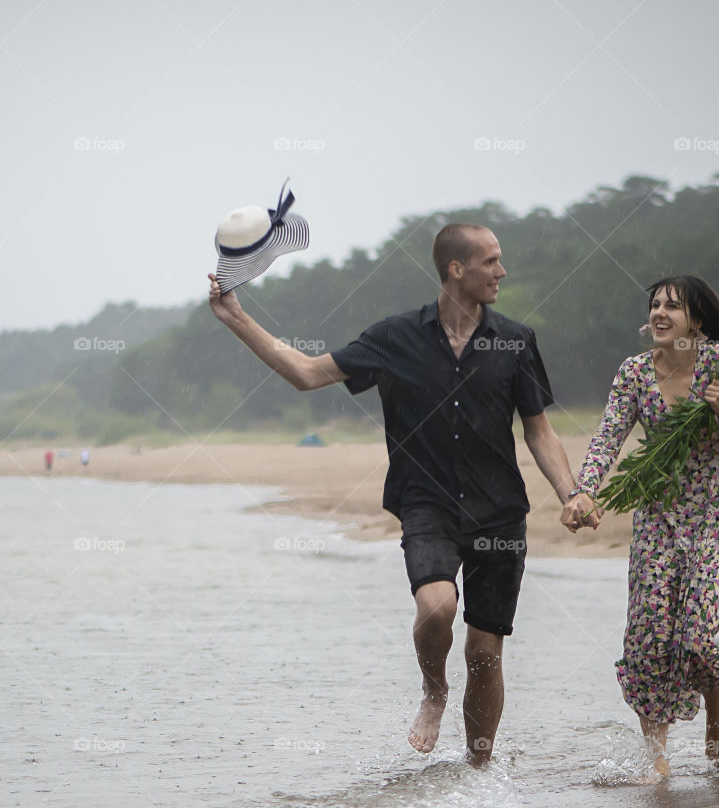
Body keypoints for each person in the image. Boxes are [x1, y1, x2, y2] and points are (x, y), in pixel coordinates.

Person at [208, 224, 592, 763]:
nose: (502, 272)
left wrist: (571, 492)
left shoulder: (516, 341)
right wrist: (238, 319)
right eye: (491, 262)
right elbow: (306, 373)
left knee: (484, 652)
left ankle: (478, 771)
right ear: (456, 269)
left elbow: (538, 429)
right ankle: (434, 689)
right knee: (437, 608)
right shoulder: (394, 338)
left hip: (499, 515)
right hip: (426, 504)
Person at [561, 275, 719, 777]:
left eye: (672, 307)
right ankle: (657, 756)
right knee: (647, 638)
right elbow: (608, 438)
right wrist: (584, 489)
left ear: (695, 320)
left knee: (694, 637)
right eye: (655, 304)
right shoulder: (634, 373)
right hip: (656, 523)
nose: (659, 313)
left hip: (715, 521)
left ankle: (715, 697)